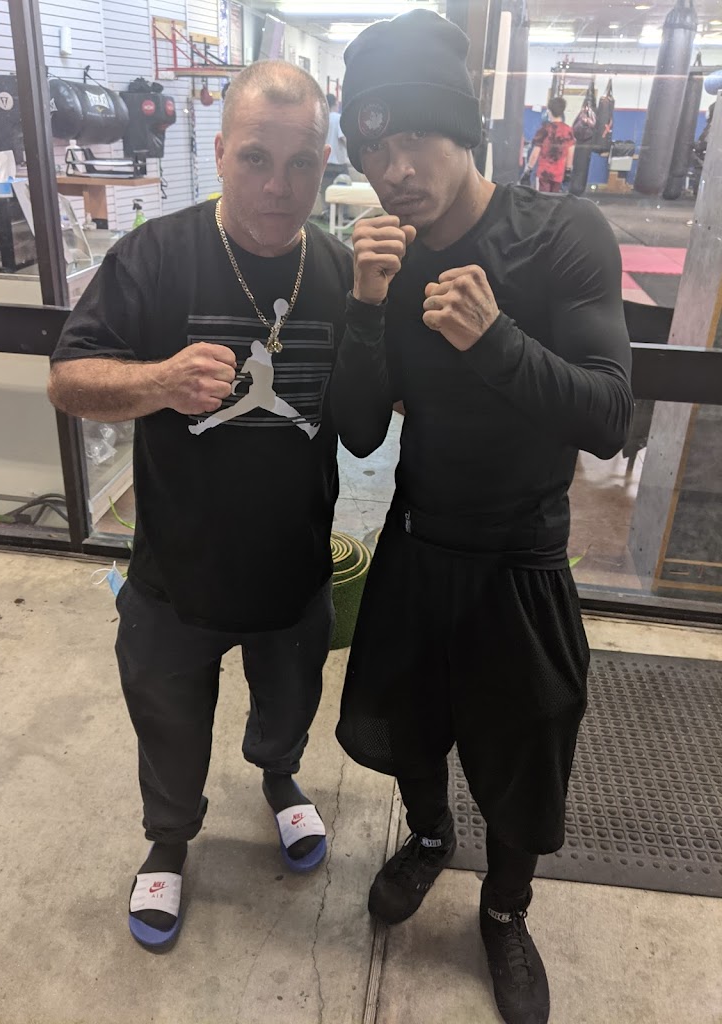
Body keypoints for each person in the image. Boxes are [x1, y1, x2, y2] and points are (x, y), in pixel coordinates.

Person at [330, 11, 633, 1024]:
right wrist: (365, 305)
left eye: (416, 136)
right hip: (420, 542)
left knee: (521, 756)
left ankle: (504, 910)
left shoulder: (561, 233)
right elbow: (360, 431)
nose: (396, 169)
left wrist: (497, 339)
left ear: (463, 130)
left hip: (523, 554)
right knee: (412, 728)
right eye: (373, 149)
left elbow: (608, 415)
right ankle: (428, 837)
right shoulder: (385, 253)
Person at [47, 60, 353, 953]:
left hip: (293, 564)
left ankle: (280, 779)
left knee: (288, 705)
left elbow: (381, 402)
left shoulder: (338, 271)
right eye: (256, 157)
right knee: (169, 719)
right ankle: (170, 839)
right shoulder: (156, 255)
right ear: (219, 153)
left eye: (300, 165)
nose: (277, 187)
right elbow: (68, 379)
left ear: (324, 164)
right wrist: (159, 380)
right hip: (176, 568)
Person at [522, 96, 575, 193]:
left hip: (543, 173)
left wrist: (528, 169)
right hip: (559, 174)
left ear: (549, 111)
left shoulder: (544, 130)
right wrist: (568, 170)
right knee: (555, 199)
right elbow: (570, 153)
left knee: (542, 198)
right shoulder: (568, 130)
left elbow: (535, 154)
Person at [320, 93, 350, 212]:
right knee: (345, 189)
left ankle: (327, 213)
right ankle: (343, 214)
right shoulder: (339, 118)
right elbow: (342, 137)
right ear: (335, 104)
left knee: (326, 191)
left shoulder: (322, 119)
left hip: (326, 162)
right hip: (339, 163)